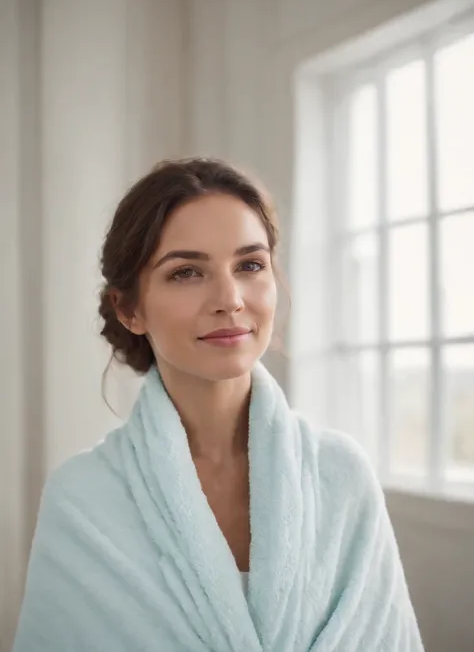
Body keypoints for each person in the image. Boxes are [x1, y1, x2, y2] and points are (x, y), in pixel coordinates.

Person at [13, 158, 425, 651]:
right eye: (187, 272)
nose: (229, 298)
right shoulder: (82, 500)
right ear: (129, 309)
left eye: (250, 265)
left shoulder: (342, 476)